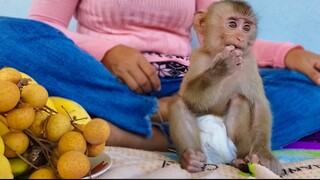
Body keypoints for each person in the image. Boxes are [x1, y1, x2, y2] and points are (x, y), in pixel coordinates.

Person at [1, 0, 320, 151]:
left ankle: (154, 131)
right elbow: (42, 28)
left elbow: (228, 35)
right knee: (5, 34)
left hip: (186, 90)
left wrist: (289, 54)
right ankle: (154, 119)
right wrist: (106, 50)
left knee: (307, 89)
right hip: (99, 80)